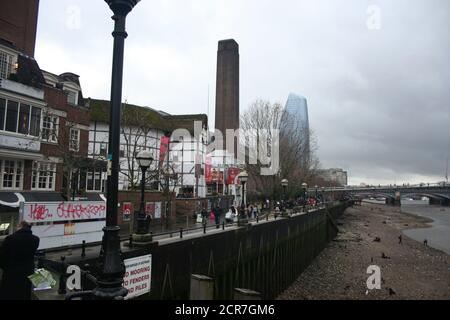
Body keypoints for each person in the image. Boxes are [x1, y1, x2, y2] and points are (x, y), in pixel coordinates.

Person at [0, 221, 40, 300]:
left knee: (9, 294)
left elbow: (2, 256)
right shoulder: (36, 239)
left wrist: (5, 268)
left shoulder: (10, 238)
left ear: (20, 226)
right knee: (24, 294)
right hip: (28, 272)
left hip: (11, 273)